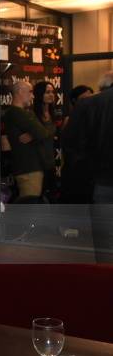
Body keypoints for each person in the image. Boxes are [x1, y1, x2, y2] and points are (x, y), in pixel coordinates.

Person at [63, 73, 113, 261]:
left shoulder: (88, 105)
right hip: (101, 180)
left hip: (101, 183)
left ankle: (105, 284)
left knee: (105, 243)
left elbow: (71, 144)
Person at [2, 81, 54, 199]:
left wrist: (32, 135)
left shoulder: (26, 113)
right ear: (20, 92)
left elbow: (42, 132)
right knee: (31, 207)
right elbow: (43, 132)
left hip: (31, 168)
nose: (33, 96)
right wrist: (35, 133)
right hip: (28, 169)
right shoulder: (16, 112)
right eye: (30, 92)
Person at [32, 81, 58, 199]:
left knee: (51, 196)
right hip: (37, 163)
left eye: (52, 92)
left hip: (50, 162)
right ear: (39, 94)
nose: (51, 95)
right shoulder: (32, 114)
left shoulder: (53, 113)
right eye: (47, 92)